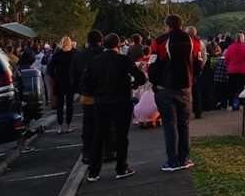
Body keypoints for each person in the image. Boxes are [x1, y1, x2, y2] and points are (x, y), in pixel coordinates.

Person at [81, 33, 146, 182]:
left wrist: (95, 92)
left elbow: (85, 83)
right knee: (121, 136)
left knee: (99, 136)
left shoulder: (95, 61)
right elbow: (140, 77)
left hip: (101, 102)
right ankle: (121, 167)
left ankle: (94, 171)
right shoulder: (123, 60)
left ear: (104, 44)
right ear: (118, 45)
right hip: (121, 100)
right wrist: (134, 84)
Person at [150, 14, 196, 172]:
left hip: (165, 88)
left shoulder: (159, 41)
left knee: (170, 125)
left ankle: (172, 160)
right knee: (184, 124)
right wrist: (192, 79)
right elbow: (200, 61)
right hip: (185, 87)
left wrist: (154, 82)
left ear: (167, 25)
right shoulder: (193, 40)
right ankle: (184, 158)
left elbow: (153, 65)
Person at [72, 30, 106, 164]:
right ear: (101, 40)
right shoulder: (104, 54)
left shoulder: (79, 56)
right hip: (105, 94)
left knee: (88, 125)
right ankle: (107, 151)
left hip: (87, 95)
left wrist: (80, 90)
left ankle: (87, 152)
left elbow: (73, 76)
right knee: (106, 124)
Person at [49, 36, 76, 133]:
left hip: (59, 82)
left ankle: (59, 127)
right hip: (70, 82)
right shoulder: (74, 53)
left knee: (60, 106)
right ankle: (68, 126)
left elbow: (50, 69)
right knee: (69, 105)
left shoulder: (57, 54)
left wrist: (55, 78)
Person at [224, 33, 245, 111]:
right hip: (243, 70)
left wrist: (229, 66)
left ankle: (230, 105)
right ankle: (241, 104)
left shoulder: (230, 47)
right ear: (243, 39)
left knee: (232, 88)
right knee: (241, 88)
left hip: (232, 70)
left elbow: (226, 59)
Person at [187, 26, 205, 119]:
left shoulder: (186, 42)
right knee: (197, 93)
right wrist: (201, 67)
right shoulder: (200, 43)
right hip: (197, 70)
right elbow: (203, 57)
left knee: (187, 93)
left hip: (189, 71)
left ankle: (188, 113)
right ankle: (198, 112)